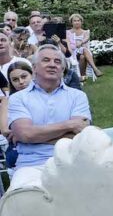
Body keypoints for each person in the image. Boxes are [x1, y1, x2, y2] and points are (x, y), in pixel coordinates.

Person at [7, 44, 91, 188]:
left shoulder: (78, 96)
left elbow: (80, 135)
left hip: (71, 162)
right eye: (46, 60)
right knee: (21, 197)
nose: (52, 64)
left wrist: (35, 135)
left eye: (57, 62)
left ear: (63, 69)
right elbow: (26, 134)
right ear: (34, 68)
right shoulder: (18, 98)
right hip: (31, 166)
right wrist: (69, 125)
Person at [0, 60, 32, 173]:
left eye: (24, 76)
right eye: (15, 80)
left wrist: (22, 132)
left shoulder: (45, 97)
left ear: (32, 75)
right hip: (17, 153)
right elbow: (4, 130)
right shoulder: (7, 101)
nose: (21, 82)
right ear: (11, 83)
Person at [66, 14, 102, 79]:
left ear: (81, 22)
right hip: (72, 51)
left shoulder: (86, 32)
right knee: (83, 52)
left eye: (78, 20)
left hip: (83, 51)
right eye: (75, 21)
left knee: (83, 55)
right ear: (71, 22)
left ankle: (82, 76)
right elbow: (68, 43)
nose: (77, 22)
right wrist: (74, 44)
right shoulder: (68, 32)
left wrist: (81, 42)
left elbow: (86, 38)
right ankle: (95, 69)